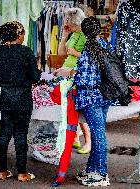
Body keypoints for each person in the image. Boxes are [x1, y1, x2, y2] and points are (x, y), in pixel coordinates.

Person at [0, 21, 40, 182]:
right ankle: (22, 173)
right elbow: (35, 77)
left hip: (2, 99)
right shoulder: (26, 52)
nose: (24, 36)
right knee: (20, 134)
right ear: (18, 35)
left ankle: (2, 171)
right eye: (23, 33)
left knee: (3, 134)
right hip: (22, 100)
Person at [72, 16, 111, 187]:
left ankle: (101, 174)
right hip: (105, 96)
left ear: (84, 30)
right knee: (98, 135)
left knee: (98, 136)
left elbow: (84, 80)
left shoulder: (88, 50)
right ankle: (92, 170)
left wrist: (74, 76)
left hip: (91, 98)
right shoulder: (105, 45)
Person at [56, 7, 91, 154]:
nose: (67, 24)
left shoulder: (87, 35)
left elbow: (91, 57)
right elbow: (60, 53)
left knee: (79, 107)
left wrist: (75, 53)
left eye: (69, 22)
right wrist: (64, 35)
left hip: (78, 73)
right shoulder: (74, 34)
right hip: (67, 71)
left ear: (76, 23)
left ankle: (88, 141)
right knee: (70, 106)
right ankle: (75, 136)